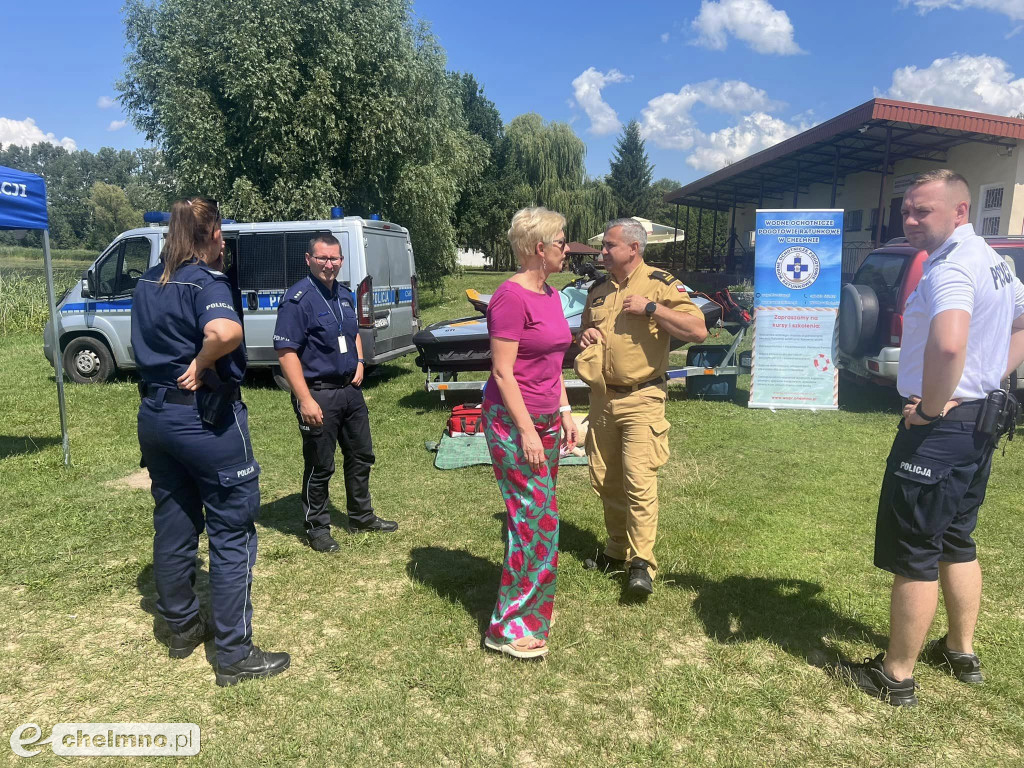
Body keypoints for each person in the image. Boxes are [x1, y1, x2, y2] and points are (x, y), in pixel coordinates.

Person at [829, 170, 1024, 707]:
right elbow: (1022, 320)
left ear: (960, 211)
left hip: (941, 430)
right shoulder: (991, 259)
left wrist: (933, 408)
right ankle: (960, 650)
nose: (910, 221)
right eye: (906, 211)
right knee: (957, 539)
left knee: (915, 551)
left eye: (924, 212)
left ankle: (896, 674)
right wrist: (987, 381)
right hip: (980, 423)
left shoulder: (953, 268)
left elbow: (947, 345)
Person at [132, 197, 289, 686]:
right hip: (205, 421)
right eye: (222, 232)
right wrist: (201, 364)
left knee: (174, 521)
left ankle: (180, 627)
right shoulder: (205, 280)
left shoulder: (147, 280)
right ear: (213, 233)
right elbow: (225, 331)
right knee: (231, 530)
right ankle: (234, 652)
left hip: (155, 417)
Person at [578, 218, 708, 596]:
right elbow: (587, 333)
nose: (602, 252)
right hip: (603, 398)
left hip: (642, 397)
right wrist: (584, 334)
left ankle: (642, 564)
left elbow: (697, 330)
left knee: (638, 481)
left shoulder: (660, 284)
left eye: (609, 246)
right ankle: (616, 551)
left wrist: (653, 308)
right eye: (603, 247)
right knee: (605, 479)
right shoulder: (598, 290)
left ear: (633, 248)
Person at [481, 207, 578, 659]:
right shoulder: (509, 297)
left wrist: (565, 412)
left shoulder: (552, 296)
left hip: (546, 421)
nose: (567, 248)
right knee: (534, 518)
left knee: (539, 515)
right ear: (539, 249)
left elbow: (553, 364)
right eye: (562, 241)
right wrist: (527, 432)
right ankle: (507, 626)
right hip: (512, 422)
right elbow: (503, 373)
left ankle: (534, 605)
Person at [274, 233, 397, 553]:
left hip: (349, 391)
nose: (329, 264)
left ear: (342, 260)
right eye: (322, 258)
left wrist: (359, 361)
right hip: (318, 393)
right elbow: (286, 353)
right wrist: (305, 400)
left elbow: (352, 333)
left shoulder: (344, 294)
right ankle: (317, 527)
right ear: (309, 259)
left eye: (335, 258)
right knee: (320, 464)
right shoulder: (297, 299)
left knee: (361, 455)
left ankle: (361, 516)